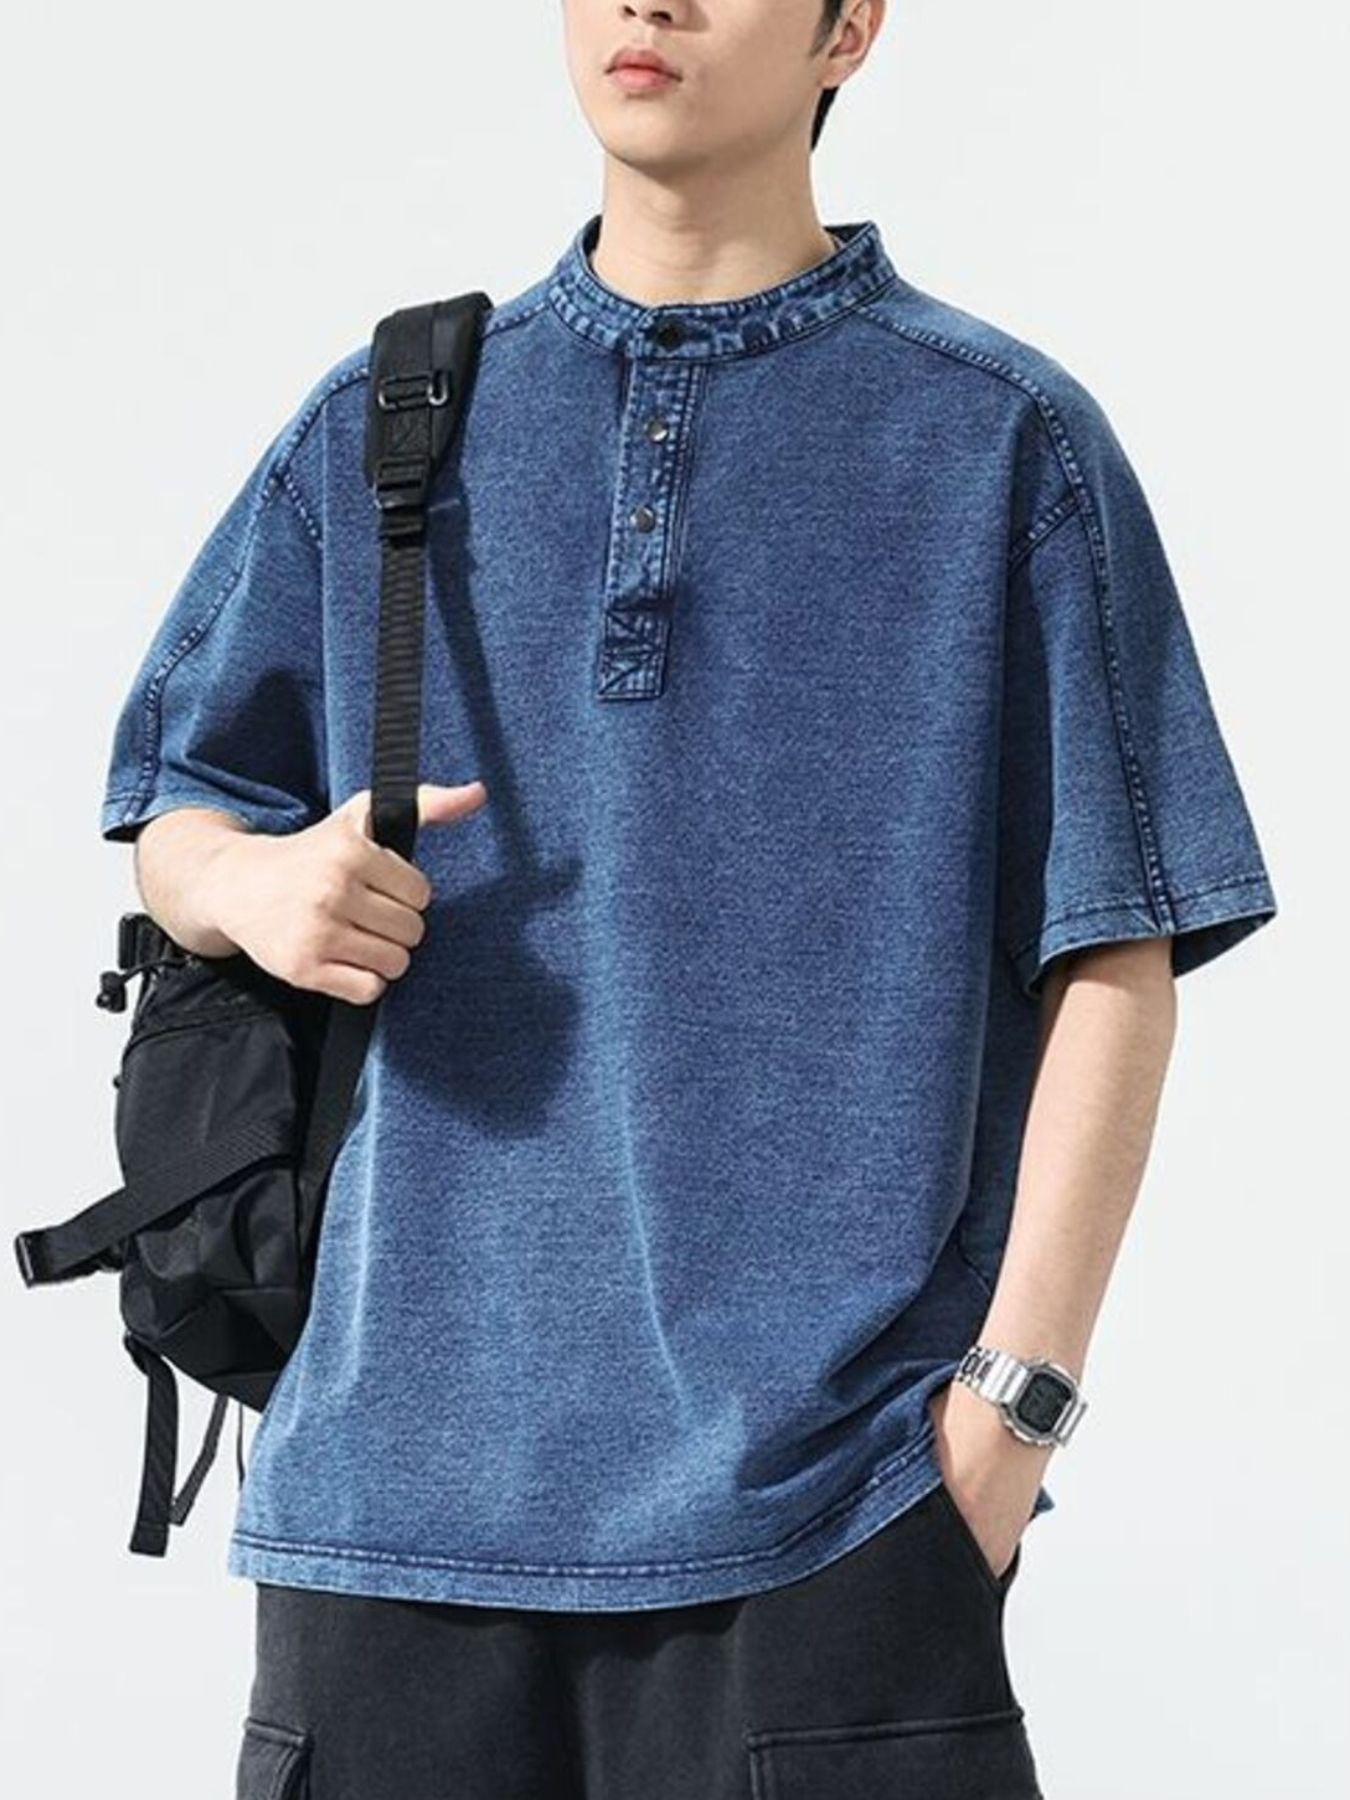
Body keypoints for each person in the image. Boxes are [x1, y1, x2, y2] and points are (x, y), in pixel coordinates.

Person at [101, 3, 1278, 1796]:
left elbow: (1115, 951)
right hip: (383, 1514)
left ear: (848, 27)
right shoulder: (389, 421)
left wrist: (1005, 1423)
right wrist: (255, 885)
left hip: (835, 1514)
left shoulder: (1003, 443)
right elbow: (172, 815)